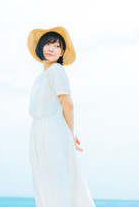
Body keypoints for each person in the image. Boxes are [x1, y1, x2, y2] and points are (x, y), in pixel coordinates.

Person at [27, 26, 96, 207]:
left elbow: (68, 104)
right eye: (48, 44)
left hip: (52, 131)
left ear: (62, 51)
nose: (51, 48)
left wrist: (69, 133)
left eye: (57, 46)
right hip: (40, 131)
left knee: (56, 182)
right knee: (46, 182)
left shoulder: (56, 70)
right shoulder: (43, 75)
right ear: (41, 47)